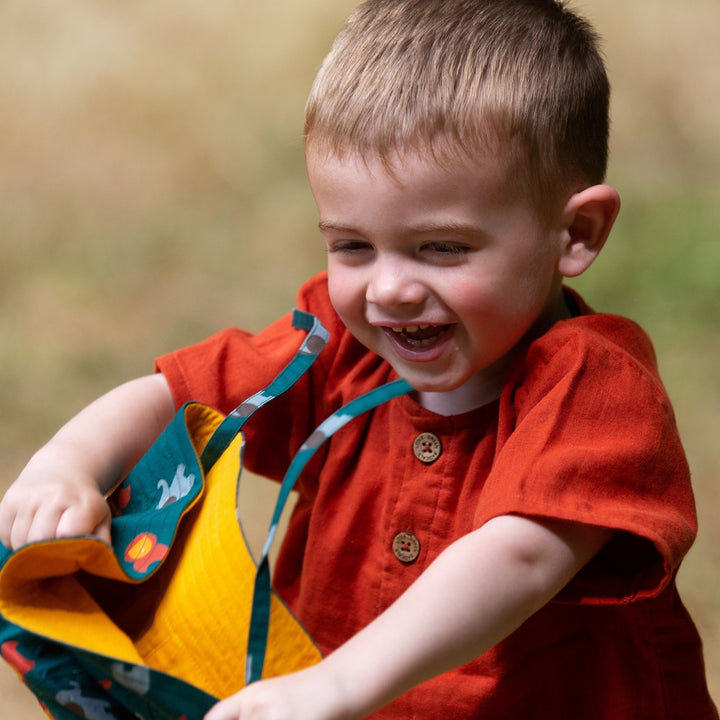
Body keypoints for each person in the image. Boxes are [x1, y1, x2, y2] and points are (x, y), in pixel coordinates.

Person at [0, 0, 717, 718]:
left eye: (443, 247)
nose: (390, 289)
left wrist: (337, 683)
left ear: (576, 233)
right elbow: (174, 395)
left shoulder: (596, 391)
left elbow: (521, 555)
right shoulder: (336, 350)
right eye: (352, 246)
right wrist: (68, 463)